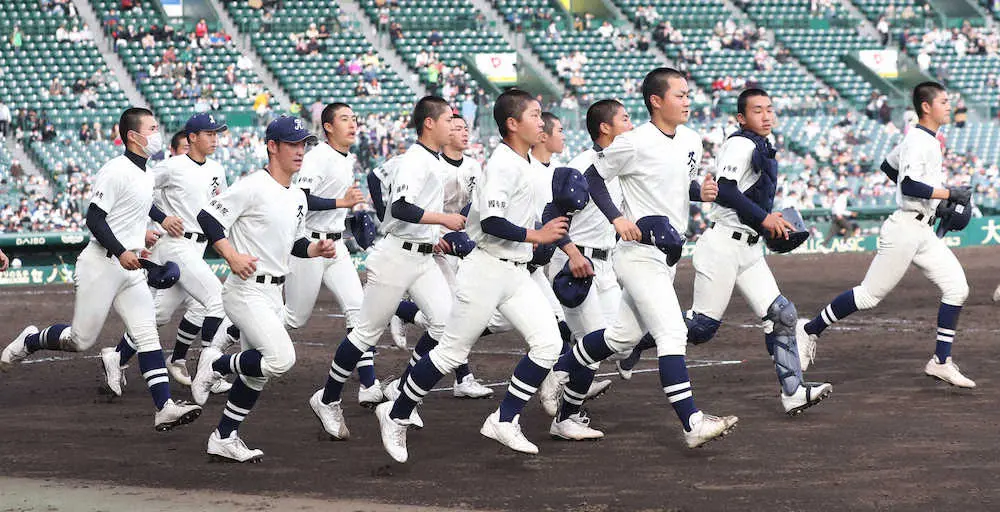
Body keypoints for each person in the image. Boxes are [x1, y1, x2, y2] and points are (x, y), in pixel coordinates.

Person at [545, 68, 738, 449]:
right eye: (680, 95)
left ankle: (563, 393)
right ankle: (692, 423)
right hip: (637, 256)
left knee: (620, 339)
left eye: (687, 94)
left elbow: (674, 184)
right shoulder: (633, 142)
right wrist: (617, 218)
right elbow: (592, 179)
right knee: (671, 333)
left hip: (666, 257)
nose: (687, 101)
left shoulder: (691, 141)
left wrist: (701, 191)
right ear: (656, 100)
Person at [374, 89, 569, 463]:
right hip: (486, 269)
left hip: (514, 272)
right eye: (534, 114)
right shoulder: (502, 164)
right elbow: (494, 222)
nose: (541, 121)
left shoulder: (526, 163)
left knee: (548, 344)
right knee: (450, 353)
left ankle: (505, 419)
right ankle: (395, 412)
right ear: (513, 123)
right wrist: (537, 236)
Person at [1, 107, 203, 431]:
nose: (158, 132)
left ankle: (164, 406)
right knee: (80, 340)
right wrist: (121, 249)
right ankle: (30, 340)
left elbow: (138, 201)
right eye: (152, 128)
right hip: (102, 264)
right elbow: (94, 218)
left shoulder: (145, 172)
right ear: (134, 136)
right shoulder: (115, 170)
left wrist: (149, 227)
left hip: (130, 266)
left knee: (147, 332)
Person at [652, 88, 831, 415]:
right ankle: (627, 341)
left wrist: (765, 221)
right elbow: (726, 191)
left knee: (782, 315)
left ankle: (793, 391)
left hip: (747, 248)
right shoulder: (739, 143)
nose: (766, 116)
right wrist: (765, 218)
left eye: (769, 109)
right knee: (701, 328)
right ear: (741, 117)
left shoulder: (762, 145)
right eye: (757, 110)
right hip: (722, 245)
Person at [307, 96, 464, 442]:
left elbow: (378, 180)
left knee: (445, 324)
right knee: (364, 333)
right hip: (395, 257)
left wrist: (432, 231)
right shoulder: (415, 160)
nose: (454, 124)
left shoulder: (431, 161)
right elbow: (402, 207)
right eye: (448, 118)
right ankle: (328, 398)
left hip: (421, 257)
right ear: (429, 123)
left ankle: (398, 394)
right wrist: (442, 221)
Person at [797, 82, 974, 388]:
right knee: (869, 295)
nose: (949, 106)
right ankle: (809, 330)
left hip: (923, 229)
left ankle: (941, 362)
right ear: (926, 107)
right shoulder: (920, 140)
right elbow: (907, 185)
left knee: (957, 288)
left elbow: (888, 166)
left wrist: (935, 203)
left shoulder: (921, 140)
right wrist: (949, 193)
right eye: (944, 101)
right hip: (904, 228)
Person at [189, 116, 337, 462]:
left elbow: (296, 243)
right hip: (245, 290)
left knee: (257, 375)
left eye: (303, 145)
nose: (300, 151)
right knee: (280, 359)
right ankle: (216, 365)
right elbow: (208, 216)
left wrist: (315, 249)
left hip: (274, 293)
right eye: (293, 144)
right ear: (273, 146)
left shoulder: (298, 195)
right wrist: (230, 254)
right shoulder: (254, 184)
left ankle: (224, 436)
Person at [100, 113, 231, 394]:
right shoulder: (172, 167)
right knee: (216, 300)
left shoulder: (218, 169)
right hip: (176, 243)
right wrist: (161, 217)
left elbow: (222, 208)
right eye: (209, 133)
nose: (214, 139)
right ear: (192, 137)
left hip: (199, 245)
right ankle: (211, 371)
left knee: (157, 314)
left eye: (216, 134)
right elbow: (138, 191)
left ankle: (117, 357)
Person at [537, 99, 634, 439]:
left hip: (605, 264)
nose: (631, 125)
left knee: (619, 342)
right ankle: (563, 407)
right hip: (576, 262)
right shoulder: (580, 166)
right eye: (625, 119)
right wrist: (572, 252)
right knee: (593, 341)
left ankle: (561, 379)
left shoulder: (620, 167)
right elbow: (550, 216)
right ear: (605, 127)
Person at [281, 102, 374, 409]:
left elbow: (338, 204)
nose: (353, 124)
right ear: (328, 127)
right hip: (308, 246)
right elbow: (301, 199)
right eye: (345, 119)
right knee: (294, 318)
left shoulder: (346, 158)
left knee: (359, 311)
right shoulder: (317, 157)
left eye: (355, 118)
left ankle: (369, 385)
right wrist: (341, 202)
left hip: (337, 247)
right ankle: (227, 338)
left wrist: (349, 210)